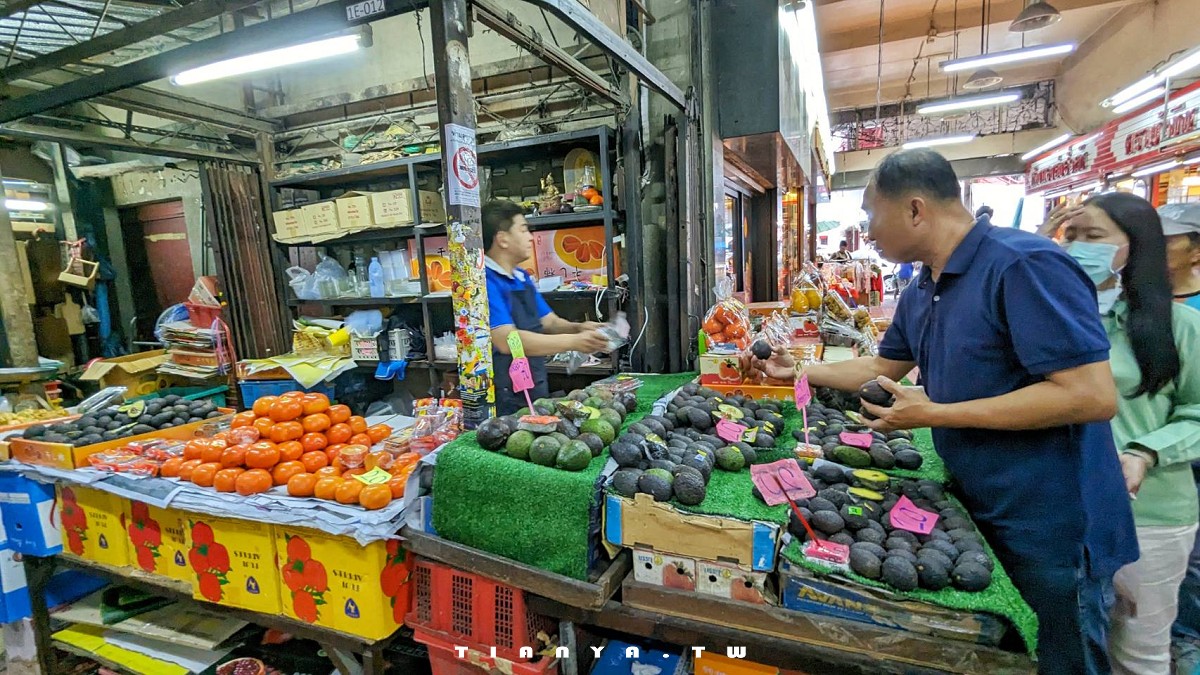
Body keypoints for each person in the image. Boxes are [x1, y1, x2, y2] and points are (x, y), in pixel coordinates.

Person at [748, 148, 1137, 674]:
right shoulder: (924, 286)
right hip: (979, 504)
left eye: (870, 215)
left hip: (1049, 521)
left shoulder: (1023, 265)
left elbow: (1090, 395)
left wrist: (937, 414)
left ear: (914, 209)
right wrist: (800, 371)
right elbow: (884, 364)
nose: (866, 232)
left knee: (1056, 658)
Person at [1052, 193, 1200, 675]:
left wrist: (1145, 452)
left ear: (1136, 247)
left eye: (1094, 237)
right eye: (1071, 236)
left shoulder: (1179, 327)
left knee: (1136, 652)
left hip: (1148, 516)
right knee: (1069, 641)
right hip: (1059, 506)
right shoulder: (1055, 318)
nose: (1078, 247)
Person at [482, 200, 608, 415]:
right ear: (502, 239)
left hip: (535, 383)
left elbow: (548, 321)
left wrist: (579, 328)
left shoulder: (521, 276)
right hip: (504, 393)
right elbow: (506, 340)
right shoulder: (486, 280)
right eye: (523, 230)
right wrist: (574, 342)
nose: (530, 237)